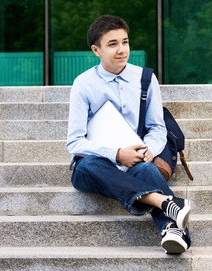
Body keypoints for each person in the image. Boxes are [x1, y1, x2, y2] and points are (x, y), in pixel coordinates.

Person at [66, 15, 191, 254]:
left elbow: (157, 128)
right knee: (90, 164)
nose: (122, 50)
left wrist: (148, 151)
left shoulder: (144, 78)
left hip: (136, 161)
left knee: (147, 170)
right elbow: (74, 142)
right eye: (112, 44)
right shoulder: (84, 84)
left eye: (125, 42)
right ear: (96, 50)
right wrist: (116, 154)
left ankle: (173, 231)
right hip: (94, 165)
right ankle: (166, 202)